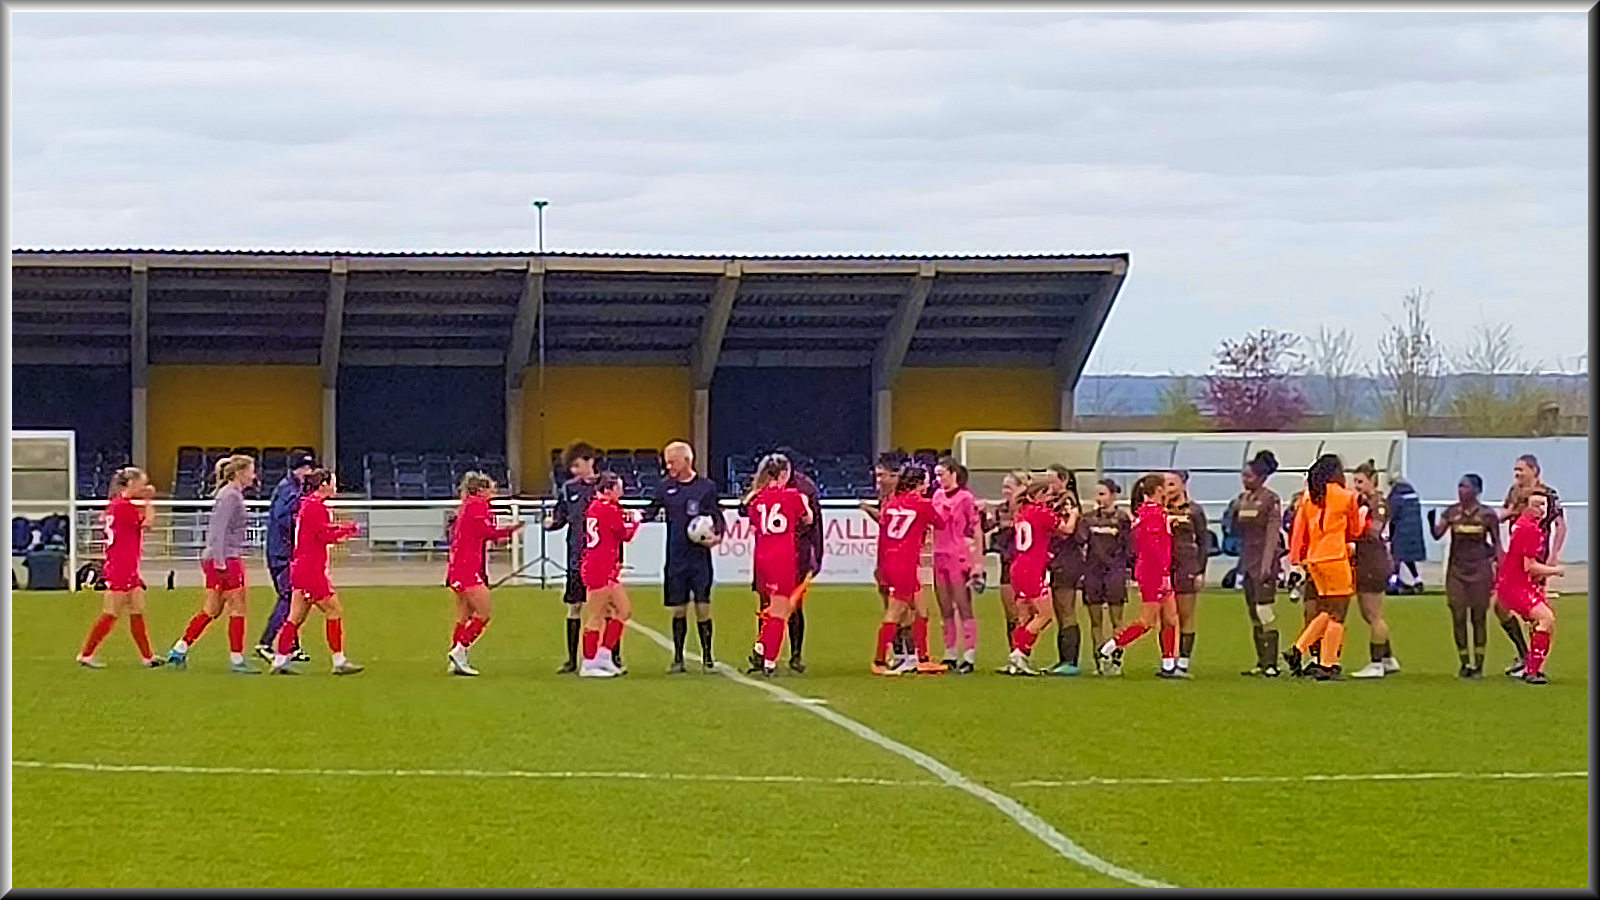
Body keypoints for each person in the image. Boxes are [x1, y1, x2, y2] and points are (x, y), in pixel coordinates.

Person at [269, 468, 364, 675]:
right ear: (323, 485)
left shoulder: (308, 505)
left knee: (295, 617)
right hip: (311, 570)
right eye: (333, 482)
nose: (335, 486)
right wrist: (347, 530)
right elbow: (323, 535)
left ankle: (279, 659)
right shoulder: (315, 507)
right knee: (333, 610)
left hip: (301, 567)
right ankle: (338, 660)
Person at [642, 440, 725, 674]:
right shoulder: (664, 487)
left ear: (687, 461)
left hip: (699, 559)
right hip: (676, 558)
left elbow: (716, 516)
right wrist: (632, 517)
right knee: (678, 609)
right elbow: (650, 511)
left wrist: (716, 537)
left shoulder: (706, 487)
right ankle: (678, 658)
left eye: (672, 461)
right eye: (667, 462)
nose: (668, 466)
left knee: (703, 607)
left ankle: (708, 657)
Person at [169, 454, 258, 673]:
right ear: (240, 473)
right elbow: (218, 530)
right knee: (238, 607)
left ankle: (180, 648)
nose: (253, 476)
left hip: (220, 556)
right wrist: (219, 561)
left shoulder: (229, 494)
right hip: (226, 558)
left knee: (212, 609)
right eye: (251, 471)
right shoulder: (230, 496)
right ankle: (236, 659)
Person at [1283, 454, 1364, 680]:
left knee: (1328, 609)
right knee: (1339, 612)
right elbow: (1355, 530)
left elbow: (1300, 530)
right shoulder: (1346, 497)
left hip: (1314, 559)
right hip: (1335, 557)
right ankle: (1326, 662)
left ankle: (1301, 650)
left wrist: (1296, 559)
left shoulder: (1309, 498)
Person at [77, 467, 163, 669]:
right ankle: (86, 654)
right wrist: (150, 501)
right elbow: (147, 523)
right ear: (132, 484)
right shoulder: (123, 507)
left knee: (138, 608)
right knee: (112, 612)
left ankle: (147, 657)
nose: (145, 487)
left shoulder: (116, 505)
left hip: (126, 564)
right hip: (121, 566)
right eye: (142, 483)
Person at [1096, 474, 1179, 677]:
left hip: (1156, 570)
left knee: (1170, 618)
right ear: (1158, 490)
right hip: (1153, 572)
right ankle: (1109, 647)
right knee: (1147, 621)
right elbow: (1152, 548)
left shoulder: (1153, 513)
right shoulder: (1152, 514)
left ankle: (1168, 664)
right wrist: (1163, 574)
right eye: (1165, 486)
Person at [445, 472, 525, 676]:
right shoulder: (477, 506)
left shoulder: (466, 506)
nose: (494, 492)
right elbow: (486, 532)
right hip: (467, 567)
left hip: (459, 565)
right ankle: (460, 650)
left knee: (464, 614)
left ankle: (457, 658)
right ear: (481, 490)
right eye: (491, 488)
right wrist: (511, 530)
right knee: (483, 612)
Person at [744, 453, 813, 677]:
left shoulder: (756, 498)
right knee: (781, 611)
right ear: (784, 474)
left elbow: (755, 524)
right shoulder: (794, 496)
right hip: (783, 557)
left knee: (773, 607)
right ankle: (769, 661)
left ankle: (762, 646)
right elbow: (807, 518)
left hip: (762, 557)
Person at [1429, 474, 1500, 678]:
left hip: (1479, 569)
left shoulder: (1487, 514)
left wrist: (1500, 567)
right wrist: (1431, 522)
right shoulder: (1451, 512)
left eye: (1465, 486)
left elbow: (1497, 544)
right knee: (1458, 615)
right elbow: (1437, 534)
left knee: (1478, 617)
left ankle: (1478, 664)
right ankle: (1464, 662)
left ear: (1477, 490)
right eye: (1459, 486)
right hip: (1457, 571)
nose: (1461, 490)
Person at [1494, 488, 1564, 685]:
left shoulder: (1523, 524)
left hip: (1513, 582)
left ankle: (1529, 667)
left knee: (1543, 622)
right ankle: (1531, 670)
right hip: (1516, 585)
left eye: (1543, 505)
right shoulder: (1529, 528)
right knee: (1545, 619)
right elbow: (1530, 566)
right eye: (1536, 505)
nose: (1541, 509)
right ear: (1525, 506)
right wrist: (1555, 570)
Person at [547, 442, 604, 674]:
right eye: (571, 467)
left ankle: (611, 655)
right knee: (574, 606)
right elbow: (562, 515)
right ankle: (572, 659)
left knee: (606, 607)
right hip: (576, 554)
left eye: (577, 465)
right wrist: (552, 524)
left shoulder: (606, 485)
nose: (574, 471)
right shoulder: (569, 488)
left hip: (602, 556)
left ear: (590, 461)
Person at [577, 472, 640, 678]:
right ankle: (589, 662)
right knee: (596, 615)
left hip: (604, 566)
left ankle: (604, 655)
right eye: (618, 488)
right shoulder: (607, 509)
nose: (621, 492)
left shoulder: (597, 507)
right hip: (599, 566)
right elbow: (625, 534)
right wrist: (636, 522)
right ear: (608, 489)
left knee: (622, 611)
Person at [256, 452, 317, 663]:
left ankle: (291, 645)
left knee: (295, 598)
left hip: (285, 551)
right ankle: (266, 642)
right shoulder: (287, 490)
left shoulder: (293, 489)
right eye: (305, 469)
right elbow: (284, 519)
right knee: (289, 597)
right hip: (282, 553)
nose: (308, 473)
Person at [1230, 451, 1282, 677]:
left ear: (1261, 477)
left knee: (1264, 610)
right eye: (1243, 475)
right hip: (1248, 561)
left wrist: (1268, 563)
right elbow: (1235, 529)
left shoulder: (1271, 499)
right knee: (1253, 611)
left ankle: (1272, 662)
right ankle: (1260, 661)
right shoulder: (1242, 500)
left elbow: (1273, 533)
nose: (1245, 479)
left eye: (1249, 476)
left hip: (1264, 561)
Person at [1005, 481, 1065, 675]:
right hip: (1032, 568)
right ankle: (1020, 652)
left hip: (1019, 566)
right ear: (1037, 495)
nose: (1050, 498)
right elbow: (1066, 529)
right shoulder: (1041, 513)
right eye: (1048, 494)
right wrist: (1072, 515)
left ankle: (1017, 658)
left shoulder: (1022, 513)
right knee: (1045, 615)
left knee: (1024, 614)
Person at [930, 457, 983, 674]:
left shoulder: (965, 498)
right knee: (944, 607)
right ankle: (950, 652)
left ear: (953, 473)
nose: (938, 478)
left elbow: (976, 529)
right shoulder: (937, 496)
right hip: (939, 554)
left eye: (941, 474)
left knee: (963, 605)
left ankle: (969, 655)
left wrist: (977, 562)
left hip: (958, 555)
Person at [773, 446, 823, 673]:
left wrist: (817, 555)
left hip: (797, 553)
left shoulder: (804, 488)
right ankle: (766, 652)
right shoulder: (769, 483)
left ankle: (795, 654)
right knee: (769, 605)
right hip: (773, 552)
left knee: (794, 605)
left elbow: (815, 525)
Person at [1348, 461, 1400, 679]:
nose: (1356, 486)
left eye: (1360, 481)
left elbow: (1374, 531)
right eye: (1355, 481)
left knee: (1374, 614)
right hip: (1365, 560)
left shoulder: (1378, 503)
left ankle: (1376, 663)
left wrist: (1354, 529)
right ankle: (1388, 659)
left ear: (1373, 481)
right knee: (1368, 613)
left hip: (1374, 560)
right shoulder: (1363, 502)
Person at [862, 451, 912, 673]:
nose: (878, 480)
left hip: (902, 563)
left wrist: (868, 510)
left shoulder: (902, 500)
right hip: (885, 563)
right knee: (897, 610)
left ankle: (901, 655)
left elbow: (885, 520)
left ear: (895, 476)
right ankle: (901, 654)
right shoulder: (887, 499)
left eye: (882, 475)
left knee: (905, 610)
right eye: (877, 476)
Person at [1079, 478, 1132, 675]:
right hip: (1093, 572)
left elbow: (1128, 546)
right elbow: (1081, 540)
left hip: (1115, 572)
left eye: (1102, 494)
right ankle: (1099, 661)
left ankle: (1116, 660)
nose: (1098, 498)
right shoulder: (1088, 518)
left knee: (1117, 620)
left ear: (1113, 495)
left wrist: (1129, 570)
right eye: (1097, 494)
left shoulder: (1122, 518)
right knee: (1095, 621)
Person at [1164, 470, 1208, 678]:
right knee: (1166, 618)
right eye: (1164, 485)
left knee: (1185, 615)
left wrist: (1200, 570)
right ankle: (1167, 661)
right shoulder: (1159, 511)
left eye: (1172, 484)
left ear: (1183, 485)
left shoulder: (1194, 511)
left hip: (1187, 568)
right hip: (1164, 569)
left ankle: (1184, 661)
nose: (1167, 489)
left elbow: (1203, 542)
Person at [985, 469, 1031, 667]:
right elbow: (990, 531)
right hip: (1006, 565)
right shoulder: (1001, 510)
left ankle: (1023, 653)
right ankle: (1013, 654)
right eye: (1004, 487)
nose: (1005, 491)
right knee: (1010, 614)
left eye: (1009, 487)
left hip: (1026, 565)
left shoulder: (1029, 510)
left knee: (1026, 614)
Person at [1044, 464, 1085, 677]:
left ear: (1064, 479)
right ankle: (1064, 659)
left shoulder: (1067, 501)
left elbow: (1067, 529)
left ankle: (1070, 660)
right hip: (1058, 559)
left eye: (1052, 479)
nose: (1049, 484)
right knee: (1060, 610)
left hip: (1067, 560)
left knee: (1066, 609)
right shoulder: (1056, 501)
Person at [1386, 477, 1427, 595]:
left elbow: (1392, 515)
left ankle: (1393, 581)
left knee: (1396, 555)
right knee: (1408, 557)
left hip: (1401, 529)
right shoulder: (1412, 494)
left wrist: (1390, 533)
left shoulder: (1395, 495)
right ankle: (1417, 579)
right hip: (1414, 530)